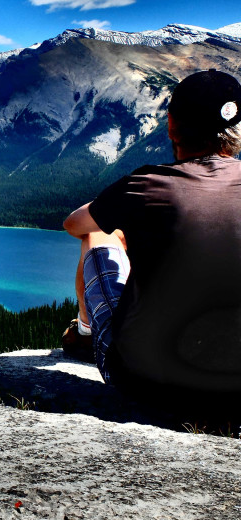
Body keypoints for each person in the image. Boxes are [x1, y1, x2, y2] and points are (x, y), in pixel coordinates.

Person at [61, 69, 241, 395]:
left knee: (100, 235)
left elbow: (74, 225)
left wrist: (128, 213)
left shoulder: (147, 185)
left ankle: (86, 334)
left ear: (171, 126)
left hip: (144, 381)